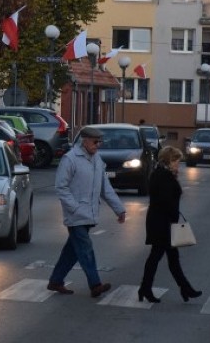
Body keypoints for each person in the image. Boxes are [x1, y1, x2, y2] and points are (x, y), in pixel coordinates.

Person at [47, 126, 126, 298]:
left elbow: (105, 188)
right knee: (85, 248)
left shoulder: (97, 159)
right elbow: (61, 187)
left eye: (100, 142)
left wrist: (119, 209)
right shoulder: (70, 159)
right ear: (85, 141)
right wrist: (74, 208)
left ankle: (56, 280)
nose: (98, 145)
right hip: (75, 214)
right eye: (95, 142)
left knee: (73, 251)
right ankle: (95, 284)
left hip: (89, 213)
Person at [138, 146, 201, 303]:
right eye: (176, 161)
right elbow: (165, 201)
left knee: (169, 258)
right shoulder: (163, 175)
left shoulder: (161, 173)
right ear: (169, 160)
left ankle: (183, 288)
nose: (178, 164)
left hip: (162, 222)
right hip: (161, 224)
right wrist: (173, 214)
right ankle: (148, 288)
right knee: (159, 257)